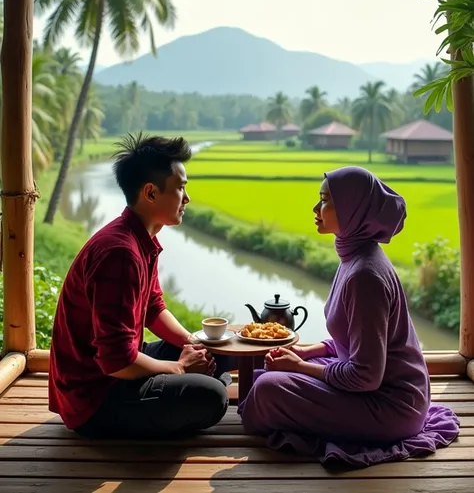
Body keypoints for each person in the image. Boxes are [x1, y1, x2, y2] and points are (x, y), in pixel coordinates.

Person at [238, 166, 460, 467]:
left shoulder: (365, 275)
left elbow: (365, 376)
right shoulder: (355, 257)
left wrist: (301, 366)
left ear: (353, 209)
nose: (316, 209)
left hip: (390, 407)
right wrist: (311, 351)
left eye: (326, 201)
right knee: (273, 376)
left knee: (268, 389)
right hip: (377, 388)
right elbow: (356, 338)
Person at [49, 133, 230, 439]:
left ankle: (195, 379)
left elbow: (153, 309)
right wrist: (181, 368)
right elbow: (116, 360)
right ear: (150, 193)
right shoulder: (120, 253)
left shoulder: (140, 240)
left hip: (119, 366)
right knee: (213, 396)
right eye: (181, 188)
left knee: (217, 351)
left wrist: (192, 345)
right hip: (96, 396)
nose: (187, 198)